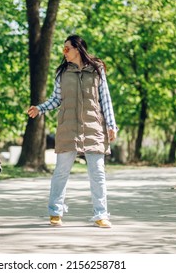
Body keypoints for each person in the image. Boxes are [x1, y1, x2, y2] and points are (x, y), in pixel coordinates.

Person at [27, 34, 118, 228]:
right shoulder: (62, 73)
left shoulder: (97, 70)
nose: (64, 52)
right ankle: (55, 212)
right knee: (61, 171)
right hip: (68, 127)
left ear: (77, 48)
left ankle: (101, 215)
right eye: (63, 49)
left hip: (93, 126)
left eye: (67, 48)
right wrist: (40, 108)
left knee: (98, 173)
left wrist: (111, 125)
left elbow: (105, 99)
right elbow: (56, 99)